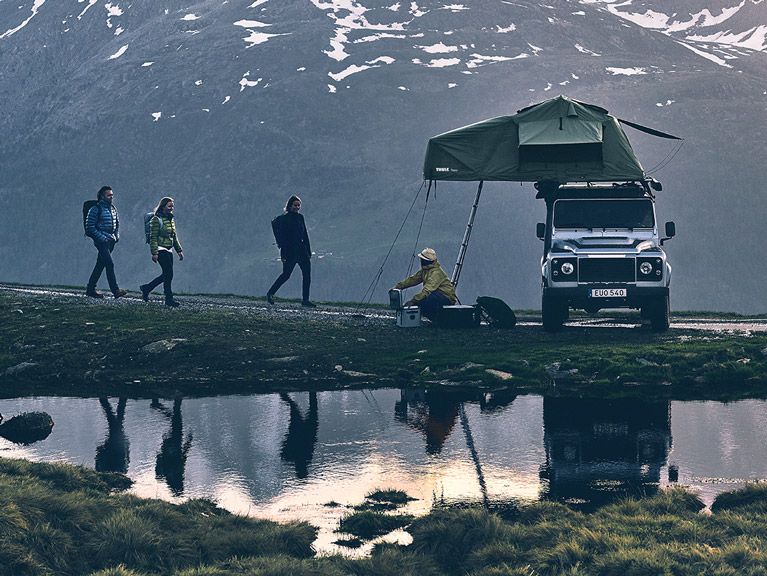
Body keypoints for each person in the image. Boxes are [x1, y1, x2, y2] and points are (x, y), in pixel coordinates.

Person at [267, 195, 315, 307]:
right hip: (290, 252)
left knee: (307, 275)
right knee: (286, 274)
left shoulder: (300, 217)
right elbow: (274, 224)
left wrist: (308, 250)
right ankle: (270, 293)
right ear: (290, 206)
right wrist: (282, 246)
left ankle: (305, 300)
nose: (297, 207)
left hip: (302, 250)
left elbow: (305, 234)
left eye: (299, 205)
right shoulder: (283, 218)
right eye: (295, 205)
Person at [140, 197, 184, 307]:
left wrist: (179, 250)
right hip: (160, 249)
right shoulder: (156, 219)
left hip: (169, 249)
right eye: (169, 206)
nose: (171, 208)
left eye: (172, 206)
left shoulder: (170, 219)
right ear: (163, 206)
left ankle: (147, 288)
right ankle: (168, 299)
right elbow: (153, 237)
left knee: (167, 274)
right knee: (169, 273)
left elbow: (174, 236)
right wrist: (154, 253)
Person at [85, 186, 126, 299]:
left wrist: (116, 236)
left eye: (112, 195)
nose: (111, 197)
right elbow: (89, 227)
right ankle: (115, 290)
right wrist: (102, 238)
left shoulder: (112, 208)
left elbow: (117, 224)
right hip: (102, 241)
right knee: (109, 264)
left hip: (111, 241)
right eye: (109, 195)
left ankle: (90, 289)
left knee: (100, 265)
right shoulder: (95, 209)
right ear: (102, 196)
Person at [394, 247, 457, 318]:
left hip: (446, 298)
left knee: (429, 299)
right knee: (424, 300)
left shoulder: (436, 273)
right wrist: (399, 286)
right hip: (437, 296)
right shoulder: (425, 270)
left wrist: (413, 301)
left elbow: (427, 290)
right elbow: (413, 279)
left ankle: (438, 318)